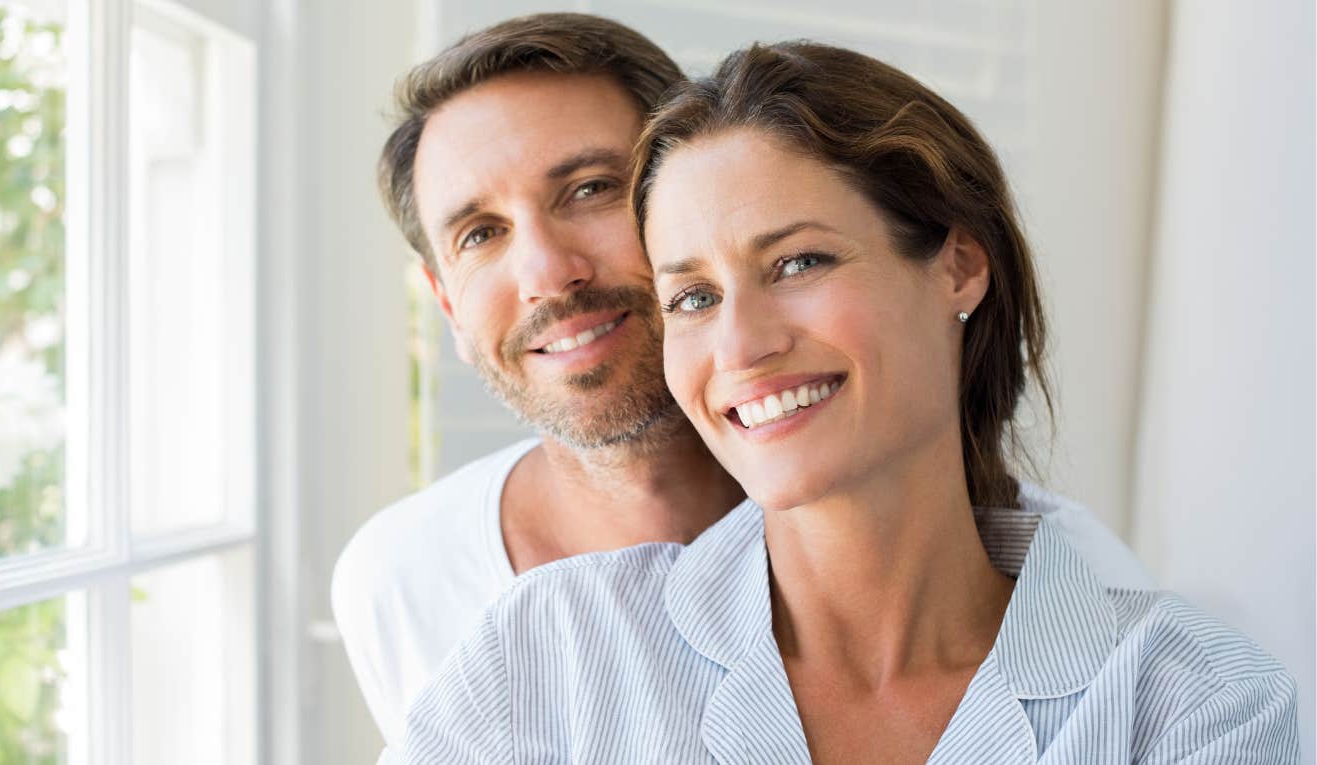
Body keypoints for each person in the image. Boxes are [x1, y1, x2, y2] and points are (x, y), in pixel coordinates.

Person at [399, 42, 1299, 763]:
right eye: (693, 299)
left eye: (799, 262)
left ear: (958, 266)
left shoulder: (1191, 702)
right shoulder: (548, 651)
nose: (742, 345)